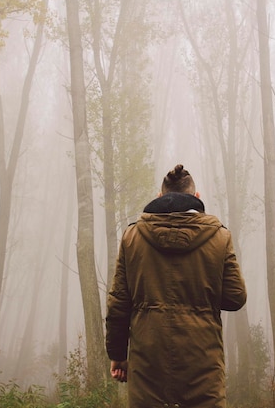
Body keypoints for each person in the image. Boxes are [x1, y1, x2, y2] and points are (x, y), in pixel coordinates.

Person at [105, 164, 247, 408]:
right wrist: (202, 293)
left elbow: (118, 304)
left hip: (148, 364)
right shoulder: (219, 237)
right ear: (197, 197)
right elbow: (235, 298)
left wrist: (118, 356)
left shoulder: (132, 237)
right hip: (203, 364)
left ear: (160, 197)